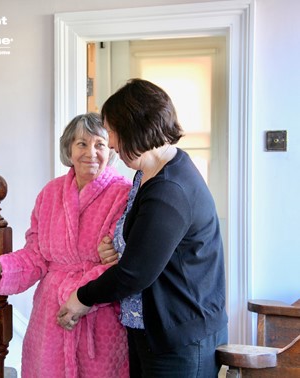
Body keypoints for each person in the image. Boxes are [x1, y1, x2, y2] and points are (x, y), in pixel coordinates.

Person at [57, 79, 228, 378]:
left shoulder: (169, 190)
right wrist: (115, 246)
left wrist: (82, 297)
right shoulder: (148, 174)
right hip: (150, 331)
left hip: (179, 340)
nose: (110, 144)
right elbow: (146, 244)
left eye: (111, 132)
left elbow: (135, 273)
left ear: (133, 127)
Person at [0, 113, 131, 378]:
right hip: (50, 317)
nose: (91, 152)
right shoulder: (51, 193)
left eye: (100, 144)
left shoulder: (123, 194)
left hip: (99, 315)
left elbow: (120, 264)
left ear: (111, 149)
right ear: (69, 149)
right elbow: (36, 256)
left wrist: (79, 297)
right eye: (82, 144)